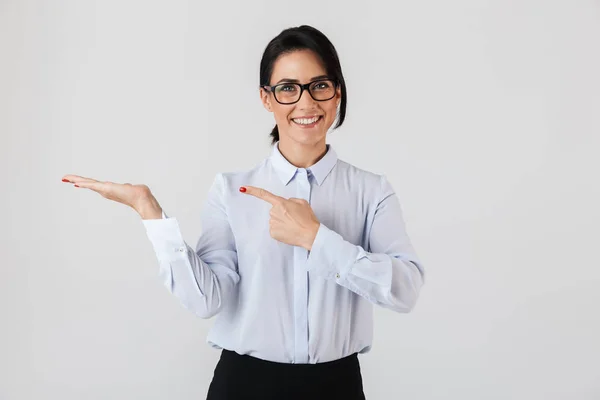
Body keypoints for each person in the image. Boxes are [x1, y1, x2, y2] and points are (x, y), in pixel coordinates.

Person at [62, 25, 425, 400]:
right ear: (266, 99)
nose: (306, 103)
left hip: (337, 385)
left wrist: (316, 239)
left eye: (320, 85)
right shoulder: (231, 190)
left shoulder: (371, 191)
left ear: (337, 93)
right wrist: (148, 210)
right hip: (245, 384)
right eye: (287, 88)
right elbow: (207, 300)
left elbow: (405, 291)